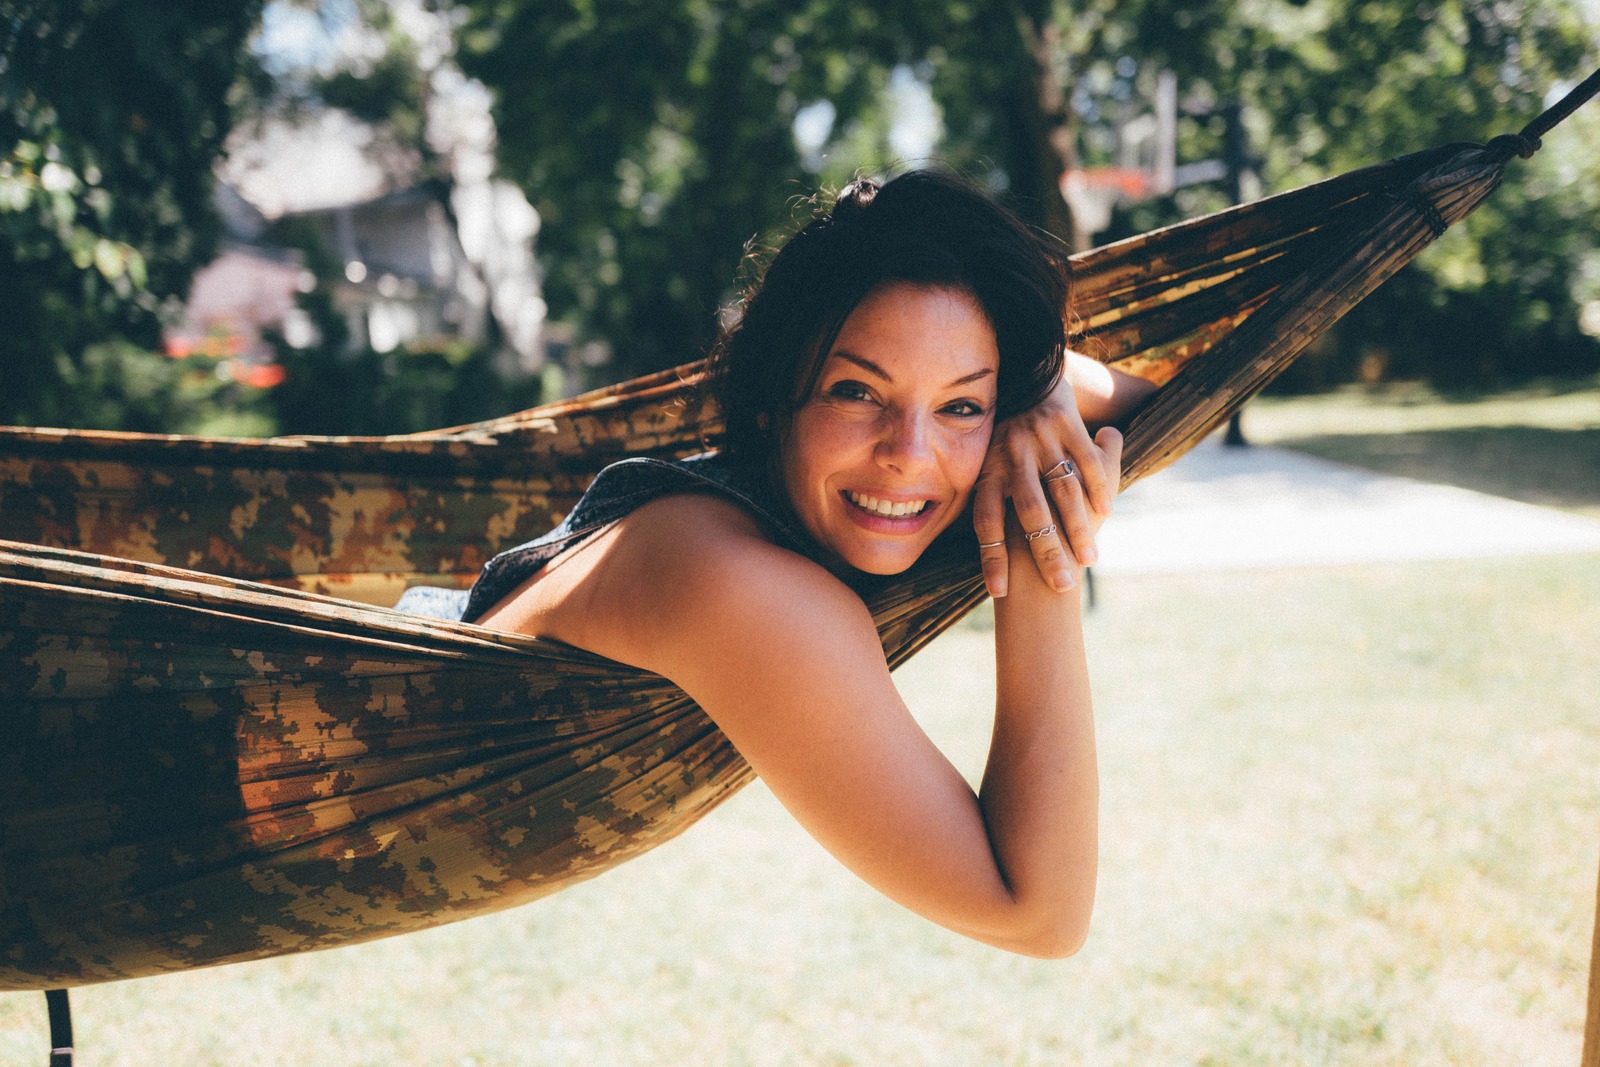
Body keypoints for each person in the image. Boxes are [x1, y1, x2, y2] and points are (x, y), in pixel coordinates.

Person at [455, 171, 1153, 957]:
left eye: (961, 405)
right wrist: (1040, 532)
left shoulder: (743, 513)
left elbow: (1168, 392)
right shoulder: (741, 587)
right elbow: (1040, 914)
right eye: (856, 392)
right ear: (771, 394)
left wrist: (1045, 400)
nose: (908, 457)